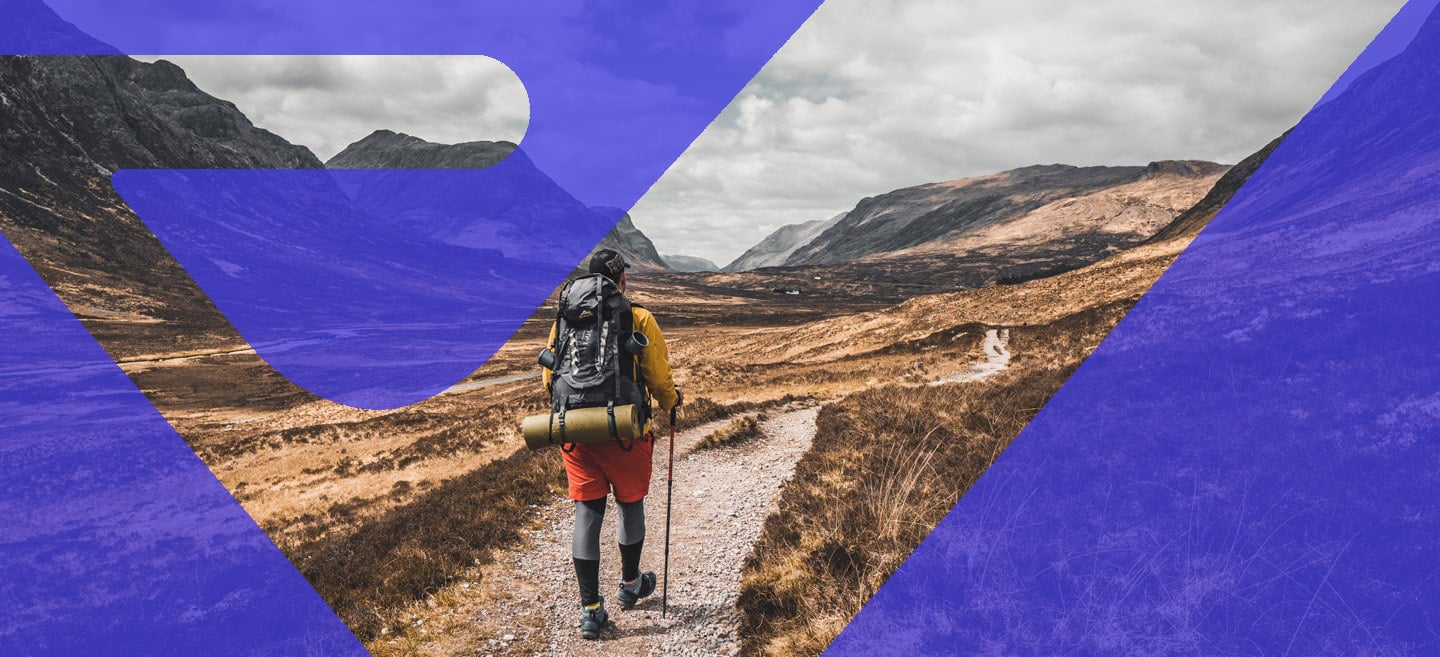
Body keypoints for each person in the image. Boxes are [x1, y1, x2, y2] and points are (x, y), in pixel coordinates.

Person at [541, 249, 681, 640]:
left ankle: (590, 609)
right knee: (630, 504)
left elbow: (549, 377)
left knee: (587, 513)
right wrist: (671, 402)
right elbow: (656, 373)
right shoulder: (638, 317)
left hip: (578, 433)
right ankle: (631, 583)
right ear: (620, 280)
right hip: (625, 431)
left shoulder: (565, 318)